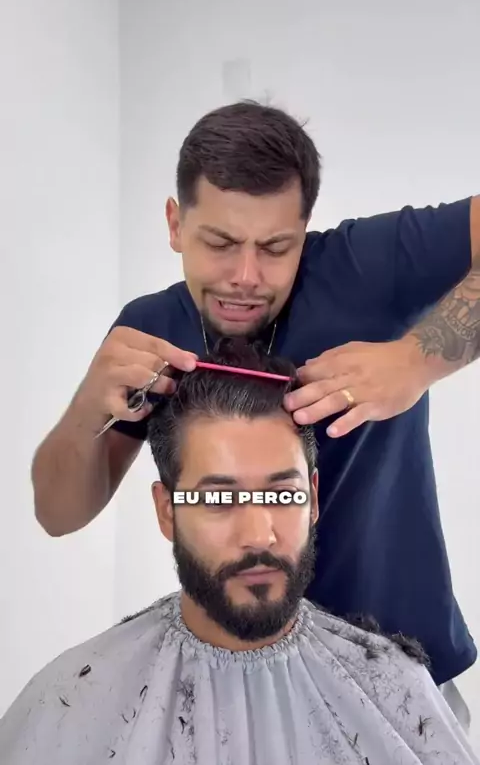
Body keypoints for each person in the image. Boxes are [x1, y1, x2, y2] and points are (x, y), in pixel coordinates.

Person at [31, 101, 480, 700]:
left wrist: (414, 361)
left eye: (275, 247)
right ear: (175, 224)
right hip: (232, 680)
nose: (246, 275)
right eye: (220, 242)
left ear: (305, 229)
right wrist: (86, 407)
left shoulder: (365, 268)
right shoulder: (149, 329)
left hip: (400, 674)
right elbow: (58, 514)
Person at [3, 341, 479, 765]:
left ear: (313, 498)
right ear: (167, 511)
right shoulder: (74, 697)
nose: (258, 535)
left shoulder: (394, 688)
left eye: (283, 494)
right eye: (218, 498)